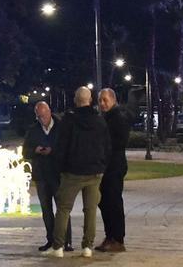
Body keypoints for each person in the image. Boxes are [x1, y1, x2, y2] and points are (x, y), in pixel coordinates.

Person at [51, 86, 109, 259]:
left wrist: (60, 167)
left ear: (76, 100)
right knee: (90, 210)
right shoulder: (99, 121)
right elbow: (107, 146)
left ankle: (58, 246)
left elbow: (61, 147)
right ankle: (87, 246)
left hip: (72, 172)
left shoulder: (68, 121)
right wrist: (102, 165)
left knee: (63, 209)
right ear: (90, 100)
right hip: (94, 172)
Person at [22, 101, 73, 253]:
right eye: (38, 117)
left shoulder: (61, 127)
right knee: (46, 209)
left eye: (43, 116)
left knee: (62, 208)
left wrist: (53, 151)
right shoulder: (33, 130)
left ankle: (66, 241)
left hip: (57, 173)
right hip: (41, 175)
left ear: (49, 112)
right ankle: (51, 240)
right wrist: (35, 150)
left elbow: (67, 147)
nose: (41, 119)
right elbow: (25, 151)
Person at [95, 88, 129, 253]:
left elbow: (118, 142)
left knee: (113, 203)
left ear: (113, 100)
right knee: (105, 203)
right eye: (100, 100)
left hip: (114, 167)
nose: (102, 103)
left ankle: (117, 238)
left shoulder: (117, 118)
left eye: (105, 100)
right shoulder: (105, 118)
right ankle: (110, 236)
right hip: (105, 167)